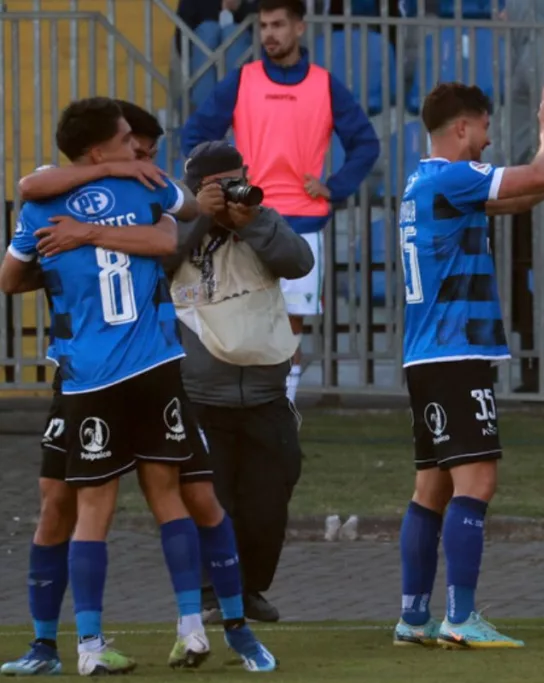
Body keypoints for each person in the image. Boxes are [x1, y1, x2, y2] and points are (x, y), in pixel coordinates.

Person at [1, 104, 277, 675]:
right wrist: (82, 238)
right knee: (74, 502)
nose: (142, 152)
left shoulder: (56, 201)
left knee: (167, 498)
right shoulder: (126, 187)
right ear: (99, 151)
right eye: (130, 142)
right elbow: (166, 232)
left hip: (124, 370)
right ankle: (63, 645)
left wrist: (83, 237)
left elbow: (168, 237)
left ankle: (202, 630)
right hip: (99, 374)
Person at [393, 79, 544, 649]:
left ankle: (414, 617)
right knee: (478, 480)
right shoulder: (451, 176)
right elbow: (535, 177)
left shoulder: (424, 183)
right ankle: (462, 617)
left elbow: (525, 196)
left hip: (428, 354)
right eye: (486, 128)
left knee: (432, 488)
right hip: (454, 352)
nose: (490, 140)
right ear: (462, 128)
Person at [181, 0, 381, 403]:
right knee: (242, 313)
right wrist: (220, 184)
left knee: (290, 325)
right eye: (264, 26)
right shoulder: (243, 79)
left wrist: (335, 186)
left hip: (303, 222)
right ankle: (244, 403)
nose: (269, 34)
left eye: (277, 25)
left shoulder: (324, 84)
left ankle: (282, 412)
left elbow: (366, 143)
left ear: (300, 28)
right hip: (245, 220)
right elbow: (195, 136)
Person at [168, 141, 312, 625]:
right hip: (202, 394)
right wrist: (200, 218)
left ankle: (250, 588)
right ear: (197, 189)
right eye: (220, 185)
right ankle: (214, 594)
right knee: (213, 500)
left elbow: (299, 261)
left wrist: (252, 223)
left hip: (266, 395)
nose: (234, 190)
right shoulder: (175, 225)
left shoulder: (261, 220)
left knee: (269, 501)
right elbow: (156, 267)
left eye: (238, 178)